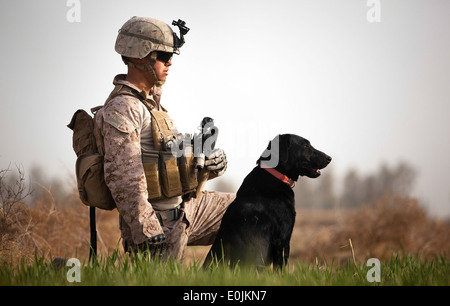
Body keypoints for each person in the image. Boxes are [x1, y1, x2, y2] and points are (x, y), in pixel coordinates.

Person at [95, 16, 235, 260]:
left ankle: (219, 281)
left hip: (186, 209)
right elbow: (123, 178)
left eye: (171, 56)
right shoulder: (124, 108)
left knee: (254, 210)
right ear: (140, 56)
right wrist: (147, 229)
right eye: (162, 55)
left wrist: (210, 164)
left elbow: (168, 163)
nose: (169, 62)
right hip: (158, 226)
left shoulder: (152, 103)